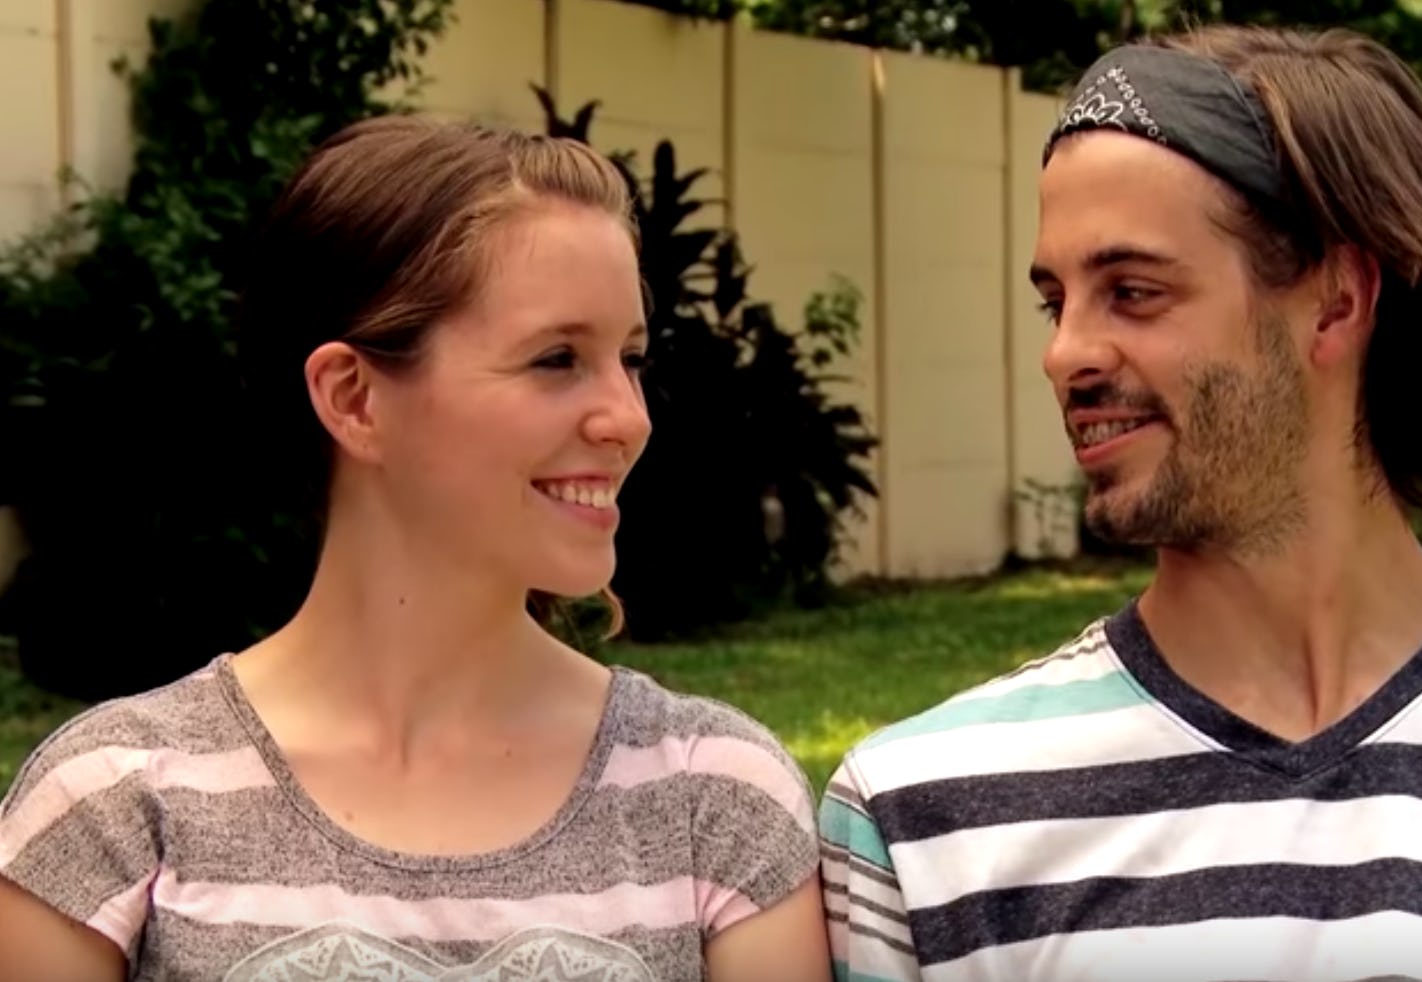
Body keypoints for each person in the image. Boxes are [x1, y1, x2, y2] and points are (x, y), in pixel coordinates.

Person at [0, 116, 829, 982]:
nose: (629, 418)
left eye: (630, 359)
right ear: (354, 398)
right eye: (557, 358)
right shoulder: (113, 807)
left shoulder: (713, 799)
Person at [821, 24, 1422, 982]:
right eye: (1056, 302)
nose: (1065, 354)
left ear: (1336, 301)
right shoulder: (925, 825)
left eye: (1132, 291)